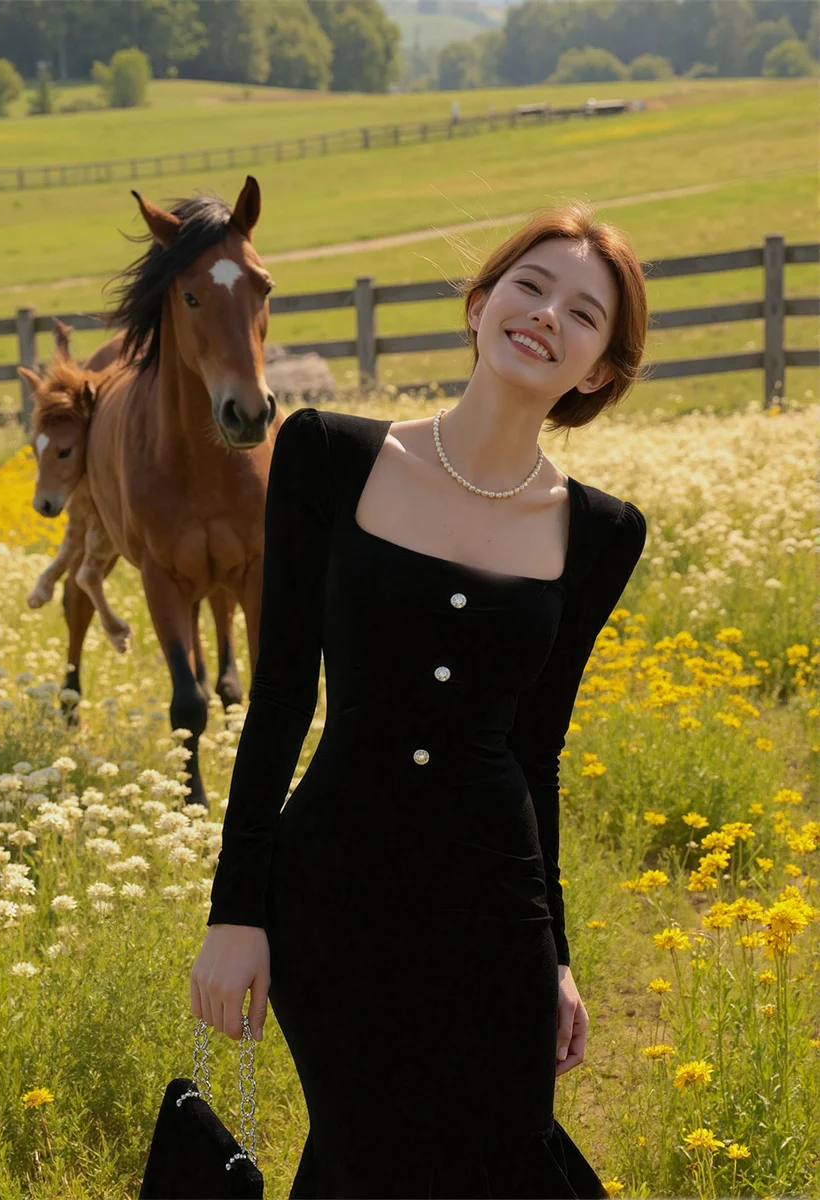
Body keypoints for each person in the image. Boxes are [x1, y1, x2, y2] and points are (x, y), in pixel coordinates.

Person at [190, 200, 649, 1198]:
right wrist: (237, 913)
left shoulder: (603, 532)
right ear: (480, 306)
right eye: (530, 287)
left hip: (497, 911)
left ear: (599, 370)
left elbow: (535, 753)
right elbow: (277, 703)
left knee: (499, 1159)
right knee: (366, 1156)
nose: (546, 316)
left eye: (583, 314)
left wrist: (557, 956)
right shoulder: (329, 457)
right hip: (335, 893)